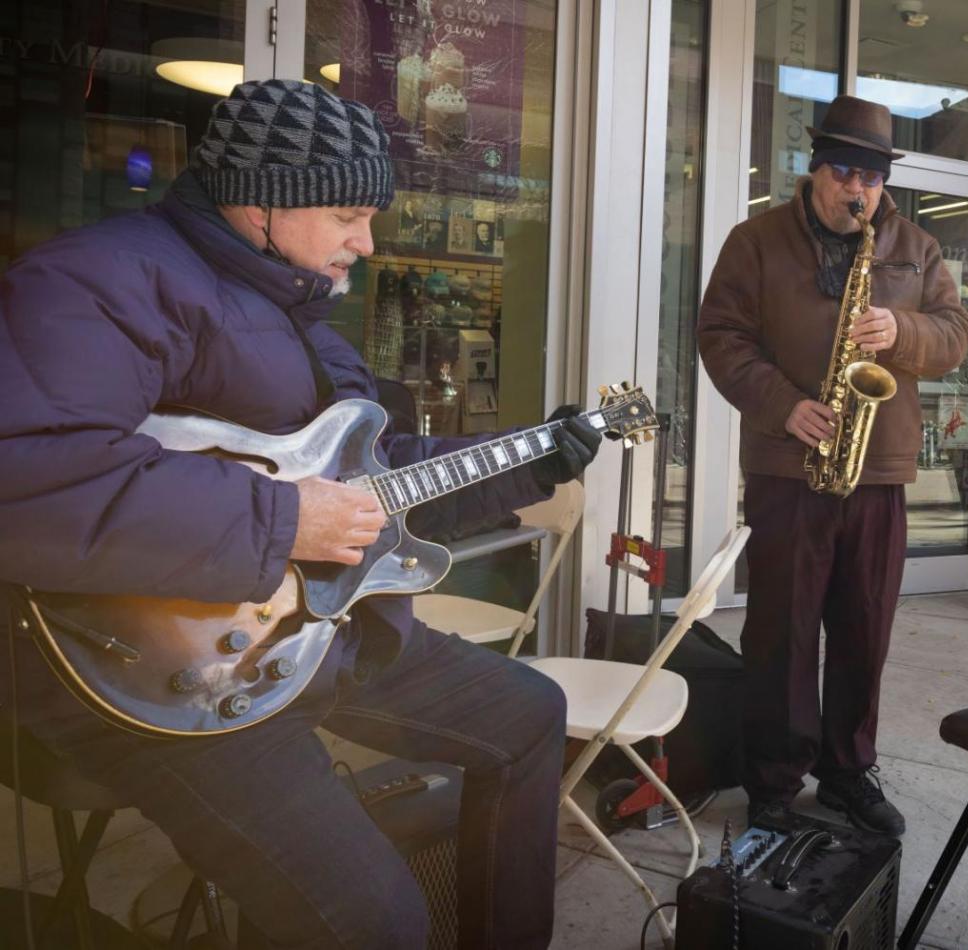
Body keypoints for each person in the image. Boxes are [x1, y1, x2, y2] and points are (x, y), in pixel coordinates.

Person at [0, 79, 598, 949]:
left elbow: (365, 487)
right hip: (165, 681)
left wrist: (532, 458)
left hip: (323, 636)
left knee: (530, 715)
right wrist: (284, 522)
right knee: (375, 922)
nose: (366, 240)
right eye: (348, 213)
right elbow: (28, 482)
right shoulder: (95, 279)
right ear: (260, 201)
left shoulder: (296, 302)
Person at [698, 95, 968, 837]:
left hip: (876, 468)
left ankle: (848, 771)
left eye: (873, 179)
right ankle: (773, 782)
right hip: (790, 465)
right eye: (846, 173)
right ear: (815, 169)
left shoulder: (914, 246)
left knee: (864, 628)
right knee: (781, 631)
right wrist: (784, 405)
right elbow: (720, 335)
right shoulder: (755, 241)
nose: (859, 191)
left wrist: (902, 328)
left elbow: (954, 333)